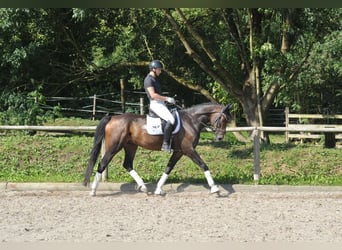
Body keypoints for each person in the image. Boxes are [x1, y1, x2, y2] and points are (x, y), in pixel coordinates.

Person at [144, 60, 176, 152]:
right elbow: (153, 95)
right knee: (171, 119)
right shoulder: (148, 80)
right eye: (159, 69)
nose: (160, 71)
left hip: (160, 103)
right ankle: (165, 144)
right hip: (155, 104)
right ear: (154, 69)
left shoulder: (155, 79)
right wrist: (167, 99)